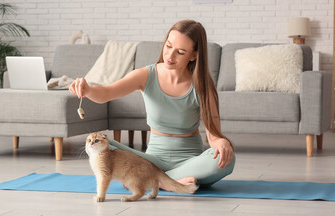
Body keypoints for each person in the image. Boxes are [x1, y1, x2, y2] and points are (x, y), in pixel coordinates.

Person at [70, 19, 235, 188]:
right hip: (152, 160)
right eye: (168, 46)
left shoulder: (203, 86)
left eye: (180, 52)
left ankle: (151, 180)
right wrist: (88, 90)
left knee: (226, 160)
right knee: (106, 145)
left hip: (190, 162)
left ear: (194, 55)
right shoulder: (147, 75)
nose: (170, 56)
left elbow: (213, 135)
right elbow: (106, 93)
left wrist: (222, 143)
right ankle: (167, 180)